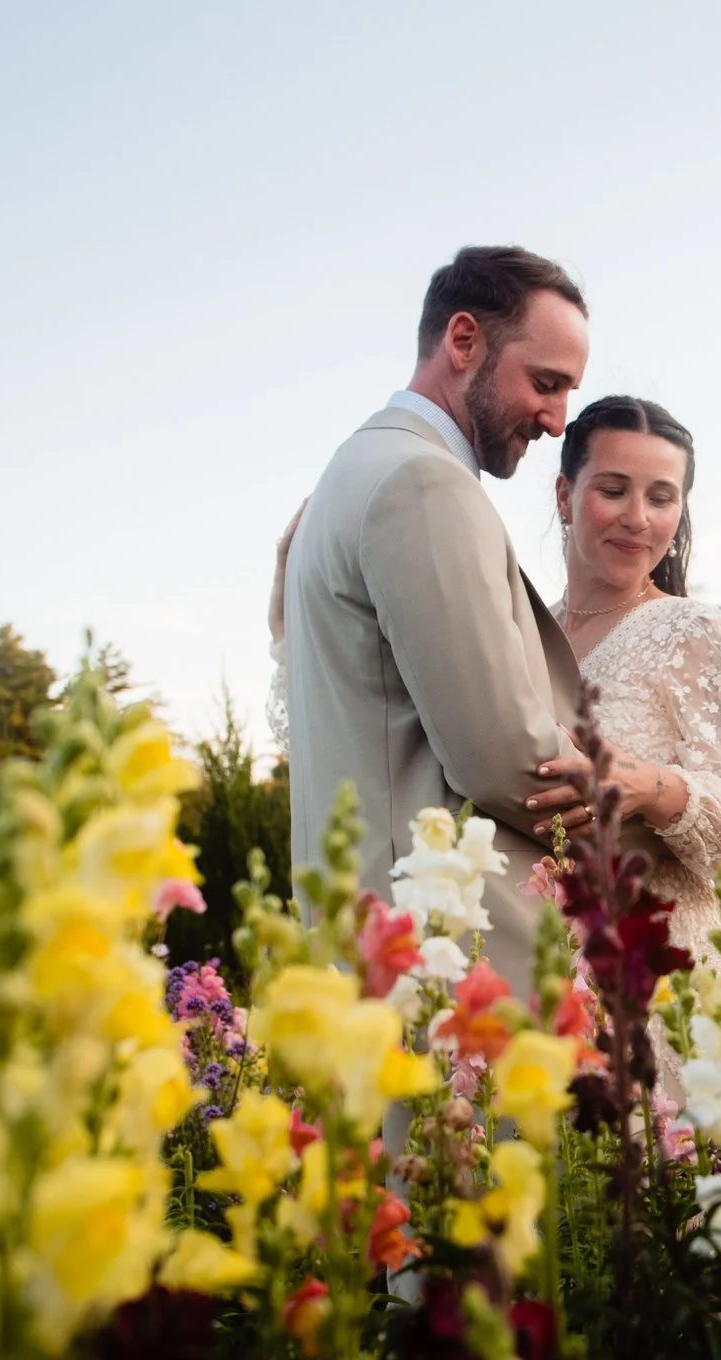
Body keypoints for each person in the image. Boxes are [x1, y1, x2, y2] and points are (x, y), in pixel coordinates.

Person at [275, 246, 598, 997]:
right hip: (458, 954)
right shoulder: (422, 482)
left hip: (375, 944)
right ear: (463, 342)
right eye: (545, 383)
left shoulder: (345, 478)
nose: (557, 420)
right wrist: (654, 804)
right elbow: (508, 758)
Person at [547, 395, 721, 960]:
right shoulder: (525, 628)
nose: (638, 517)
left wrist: (653, 789)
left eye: (661, 497)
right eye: (613, 490)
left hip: (673, 983)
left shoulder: (692, 631)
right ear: (565, 496)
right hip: (552, 981)